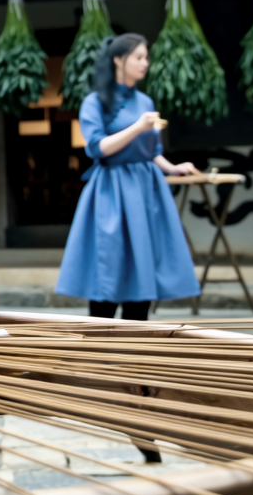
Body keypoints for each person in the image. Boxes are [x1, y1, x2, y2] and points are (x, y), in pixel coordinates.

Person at [57, 34, 200, 322]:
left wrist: (172, 167)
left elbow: (152, 152)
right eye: (138, 57)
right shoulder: (95, 101)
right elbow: (98, 147)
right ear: (118, 60)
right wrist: (138, 126)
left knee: (144, 265)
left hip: (146, 190)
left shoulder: (145, 100)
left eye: (146, 57)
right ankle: (101, 347)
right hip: (111, 189)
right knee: (108, 265)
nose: (145, 63)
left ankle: (138, 347)